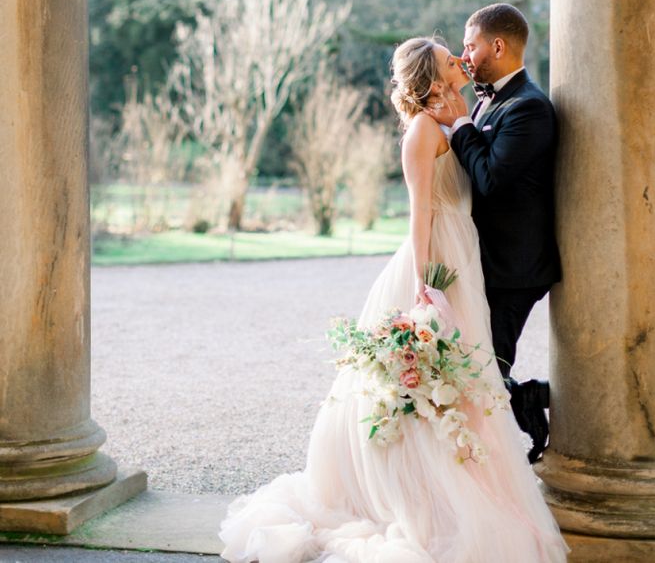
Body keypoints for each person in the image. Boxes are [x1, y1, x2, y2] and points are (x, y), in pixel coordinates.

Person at [218, 36, 567, 563]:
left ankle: (462, 484)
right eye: (453, 58)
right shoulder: (422, 132)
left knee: (465, 380)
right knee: (425, 382)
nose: (462, 61)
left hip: (464, 256)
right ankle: (412, 496)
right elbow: (419, 210)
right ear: (433, 74)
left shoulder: (455, 121)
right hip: (434, 261)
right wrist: (424, 283)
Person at [427, 4, 561, 464]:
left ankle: (526, 408)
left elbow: (489, 178)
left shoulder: (529, 108)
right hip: (480, 262)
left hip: (512, 270)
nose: (465, 55)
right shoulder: (487, 97)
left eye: (470, 45)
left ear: (497, 46)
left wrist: (461, 123)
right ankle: (517, 405)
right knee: (471, 364)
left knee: (484, 371)